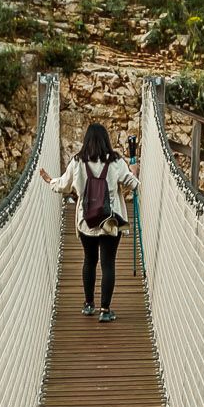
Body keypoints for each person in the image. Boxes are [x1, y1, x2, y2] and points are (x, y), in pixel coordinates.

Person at [40, 123, 136, 321]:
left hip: (86, 221)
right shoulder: (115, 161)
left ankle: (88, 305)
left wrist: (50, 181)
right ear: (106, 140)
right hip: (110, 221)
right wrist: (134, 170)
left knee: (89, 260)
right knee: (108, 263)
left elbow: (64, 186)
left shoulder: (77, 161)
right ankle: (105, 310)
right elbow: (132, 183)